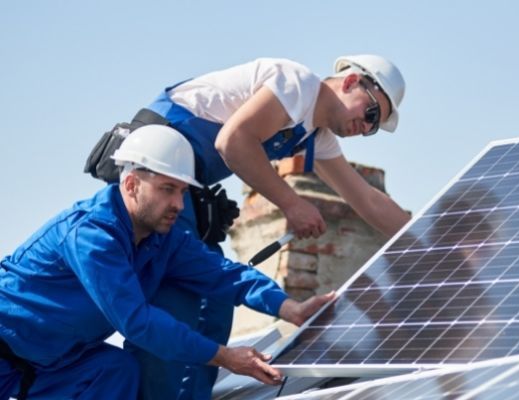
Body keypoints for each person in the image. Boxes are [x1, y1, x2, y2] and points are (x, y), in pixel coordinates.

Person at [84, 55, 412, 399]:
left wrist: (429, 238)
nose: (366, 127)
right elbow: (233, 142)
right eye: (371, 113)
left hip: (186, 192)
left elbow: (366, 199)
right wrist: (292, 203)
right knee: (177, 305)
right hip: (156, 180)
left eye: (374, 127)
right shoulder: (296, 84)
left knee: (216, 308)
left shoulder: (317, 135)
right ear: (350, 82)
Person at [0, 126, 334, 400]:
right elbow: (138, 322)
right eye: (167, 189)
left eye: (183, 192)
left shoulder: (165, 239)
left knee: (117, 370)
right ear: (131, 184)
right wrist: (224, 356)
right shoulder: (91, 236)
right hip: (6, 351)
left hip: (54, 364)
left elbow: (224, 274)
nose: (178, 203)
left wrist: (288, 307)